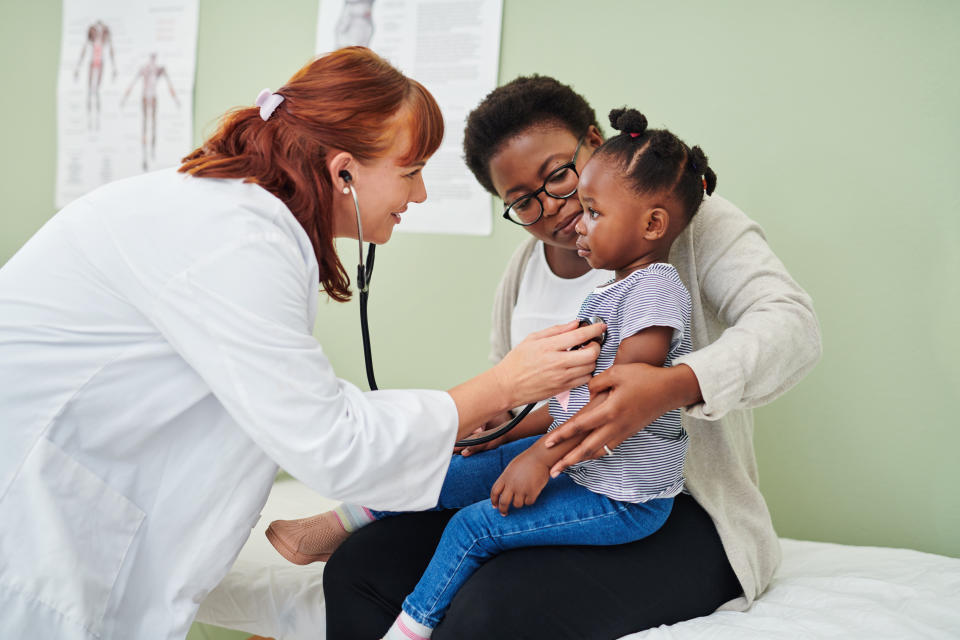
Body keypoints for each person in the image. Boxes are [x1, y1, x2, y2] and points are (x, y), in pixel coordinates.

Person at [0, 50, 603, 640]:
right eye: (411, 171)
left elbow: (294, 407)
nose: (418, 197)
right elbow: (331, 439)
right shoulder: (234, 240)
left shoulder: (244, 223)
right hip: (38, 512)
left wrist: (479, 407)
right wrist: (500, 387)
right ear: (344, 171)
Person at [323, 75, 822, 639]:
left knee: (493, 605)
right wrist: (497, 428)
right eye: (522, 202)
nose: (554, 208)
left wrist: (674, 384)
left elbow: (792, 325)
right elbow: (521, 392)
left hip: (668, 502)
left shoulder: (690, 224)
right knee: (359, 568)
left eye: (559, 175)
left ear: (594, 143)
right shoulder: (522, 271)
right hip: (560, 475)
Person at [269, 107, 711, 640]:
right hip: (576, 463)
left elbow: (615, 404)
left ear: (653, 224)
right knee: (448, 466)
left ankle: (410, 628)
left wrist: (539, 458)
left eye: (590, 208)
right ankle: (343, 521)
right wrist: (498, 426)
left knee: (471, 527)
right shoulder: (609, 288)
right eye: (522, 201)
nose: (572, 218)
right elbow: (568, 396)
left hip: (622, 496)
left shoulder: (657, 285)